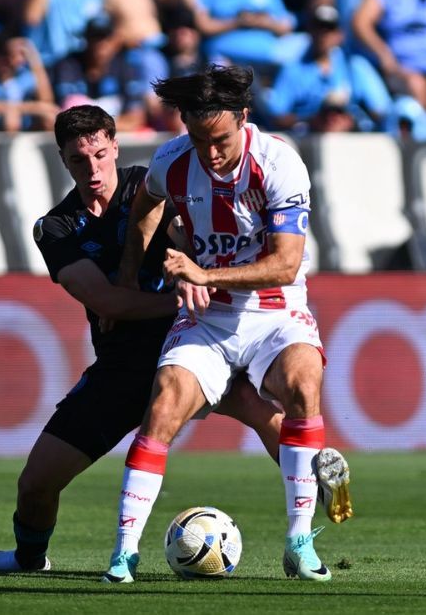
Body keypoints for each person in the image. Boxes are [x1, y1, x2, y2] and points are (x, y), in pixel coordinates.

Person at [0, 104, 351, 573]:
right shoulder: (56, 227)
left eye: (100, 155)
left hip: (196, 343)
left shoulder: (152, 184)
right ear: (63, 160)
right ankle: (28, 558)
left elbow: (191, 240)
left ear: (114, 146)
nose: (93, 168)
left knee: (270, 413)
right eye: (79, 160)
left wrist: (197, 275)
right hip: (126, 364)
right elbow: (110, 305)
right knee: (36, 484)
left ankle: (313, 502)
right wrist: (190, 291)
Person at [102, 65, 348, 584]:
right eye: (198, 139)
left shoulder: (279, 163)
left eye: (219, 140)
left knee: (304, 383)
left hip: (275, 310)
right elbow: (146, 202)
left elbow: (284, 263)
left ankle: (299, 543)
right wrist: (130, 275)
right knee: (164, 403)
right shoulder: (173, 160)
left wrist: (201, 271)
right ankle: (124, 554)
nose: (209, 154)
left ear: (243, 118)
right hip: (207, 320)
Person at [266, 4, 391, 132]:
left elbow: (381, 110)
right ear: (310, 31)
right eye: (318, 29)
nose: (323, 36)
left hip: (353, 139)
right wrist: (312, 121)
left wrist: (352, 121)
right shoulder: (293, 69)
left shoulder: (355, 66)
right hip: (309, 139)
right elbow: (277, 116)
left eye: (329, 30)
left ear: (339, 35)